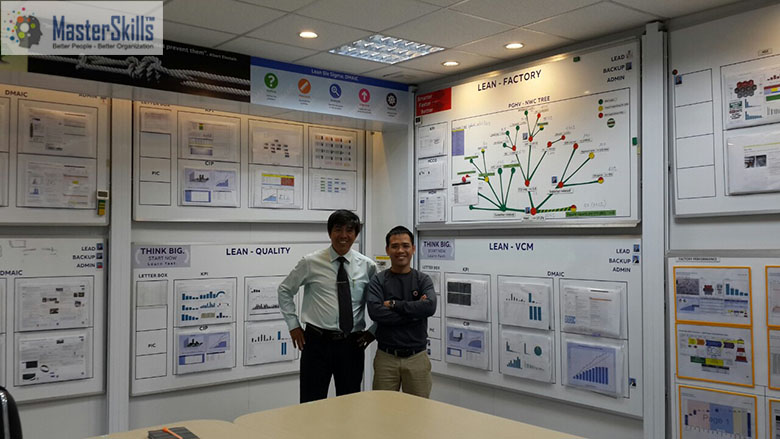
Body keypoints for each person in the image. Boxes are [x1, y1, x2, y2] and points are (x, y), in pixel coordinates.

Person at [277, 210, 377, 403]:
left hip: (351, 344)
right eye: (338, 229)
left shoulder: (368, 266)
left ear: (356, 234)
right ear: (330, 232)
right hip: (316, 343)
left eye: (349, 230)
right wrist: (293, 325)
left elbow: (380, 301)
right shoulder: (310, 262)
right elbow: (284, 290)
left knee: (350, 403)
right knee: (311, 403)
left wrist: (373, 331)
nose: (343, 235)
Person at [367, 226, 436, 398]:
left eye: (405, 246)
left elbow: (429, 307)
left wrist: (394, 304)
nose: (400, 251)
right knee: (383, 408)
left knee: (419, 410)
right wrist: (415, 314)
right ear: (387, 250)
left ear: (413, 248)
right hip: (386, 358)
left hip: (417, 357)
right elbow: (376, 313)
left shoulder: (423, 280)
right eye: (395, 246)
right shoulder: (378, 280)